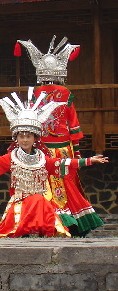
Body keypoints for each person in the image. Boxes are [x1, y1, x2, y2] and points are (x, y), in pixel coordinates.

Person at [0, 88, 108, 238]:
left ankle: (43, 229)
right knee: (32, 207)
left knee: (40, 200)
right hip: (20, 203)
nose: (25, 140)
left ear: (35, 138)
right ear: (16, 138)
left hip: (39, 202)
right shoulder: (12, 157)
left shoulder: (42, 159)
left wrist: (89, 160)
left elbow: (62, 164)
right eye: (21, 137)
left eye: (28, 137)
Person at [15, 36, 103, 236]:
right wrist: (77, 152)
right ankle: (72, 222)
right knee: (66, 183)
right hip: (64, 148)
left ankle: (47, 221)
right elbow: (73, 126)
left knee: (42, 183)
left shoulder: (37, 93)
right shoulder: (66, 93)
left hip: (42, 148)